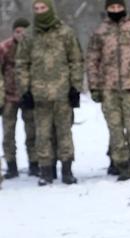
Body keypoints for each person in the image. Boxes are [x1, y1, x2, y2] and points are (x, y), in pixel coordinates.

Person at [16, 0, 83, 186]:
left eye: (43, 7)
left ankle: (67, 170)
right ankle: (46, 171)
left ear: (50, 9)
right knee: (42, 134)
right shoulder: (29, 36)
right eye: (36, 9)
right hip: (39, 95)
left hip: (63, 93)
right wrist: (25, 91)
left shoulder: (65, 33)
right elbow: (22, 64)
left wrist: (75, 87)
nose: (40, 11)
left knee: (64, 133)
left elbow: (76, 61)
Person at [86, 0, 130, 180]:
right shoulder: (100, 32)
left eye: (118, 7)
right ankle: (121, 165)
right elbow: (93, 60)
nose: (115, 10)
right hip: (108, 88)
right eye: (112, 8)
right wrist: (94, 86)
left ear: (124, 8)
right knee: (115, 128)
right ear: (107, 9)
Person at [1, 18, 38, 179]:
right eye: (17, 31)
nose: (20, 35)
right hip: (9, 96)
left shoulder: (34, 47)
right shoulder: (4, 48)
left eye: (24, 31)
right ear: (13, 32)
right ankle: (11, 165)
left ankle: (34, 164)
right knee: (8, 133)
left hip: (28, 96)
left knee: (32, 132)